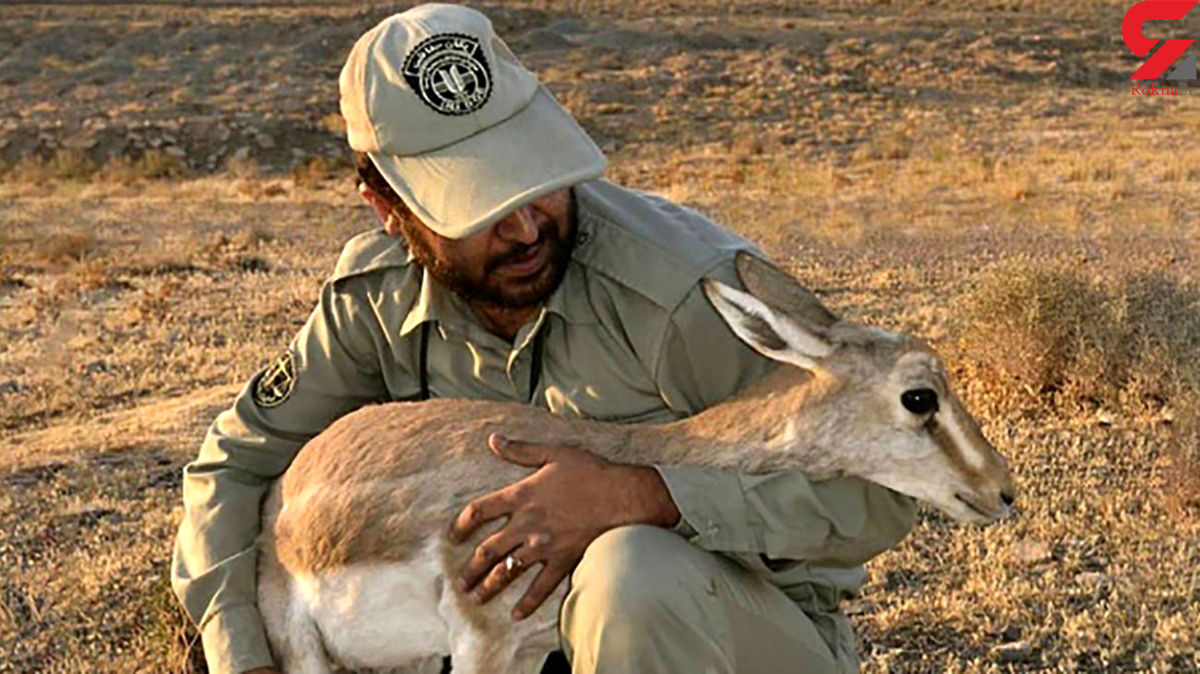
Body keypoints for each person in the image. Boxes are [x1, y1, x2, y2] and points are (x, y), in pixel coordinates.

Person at [170, 4, 917, 673]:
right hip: (505, 642)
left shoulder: (685, 292)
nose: (527, 227)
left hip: (732, 634)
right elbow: (232, 468)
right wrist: (240, 654)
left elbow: (878, 493)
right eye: (479, 205)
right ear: (386, 210)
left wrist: (650, 495)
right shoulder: (374, 300)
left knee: (632, 573)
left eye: (535, 183)